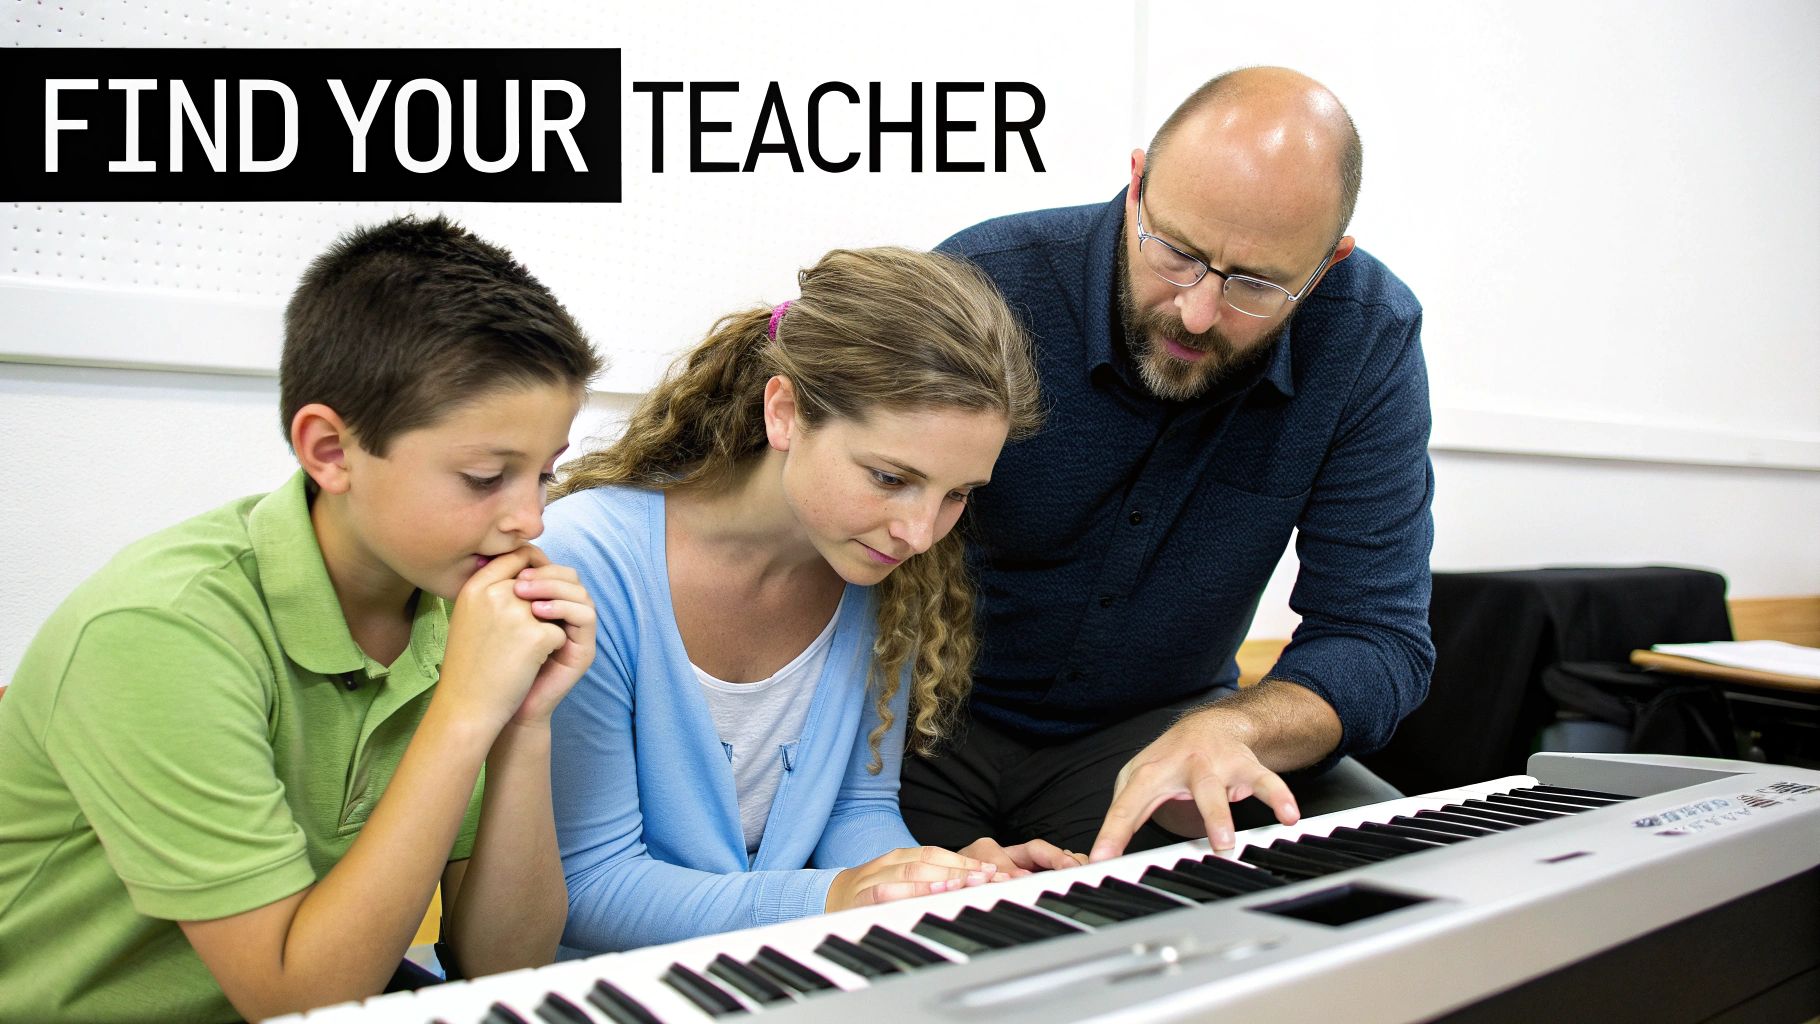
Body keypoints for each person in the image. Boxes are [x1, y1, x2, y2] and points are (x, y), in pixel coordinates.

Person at [0, 215, 604, 1023]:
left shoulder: (447, 604)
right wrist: (463, 714)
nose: (530, 519)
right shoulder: (158, 631)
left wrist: (523, 724)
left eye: (546, 474)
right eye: (485, 476)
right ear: (328, 450)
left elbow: (506, 968)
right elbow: (299, 1003)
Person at [900, 67, 1436, 863]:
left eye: (1257, 285)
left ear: (1326, 267)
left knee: (1392, 875)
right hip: (914, 729)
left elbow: (1377, 636)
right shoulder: (986, 283)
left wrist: (1236, 725)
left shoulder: (1365, 338)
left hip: (1157, 744)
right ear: (1138, 181)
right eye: (1177, 253)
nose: (1198, 312)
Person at [542, 246, 1079, 955]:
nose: (920, 532)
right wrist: (832, 898)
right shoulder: (586, 560)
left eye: (957, 495)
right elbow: (590, 889)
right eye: (890, 477)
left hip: (773, 975)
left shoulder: (886, 571)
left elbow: (855, 810)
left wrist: (932, 879)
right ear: (786, 412)